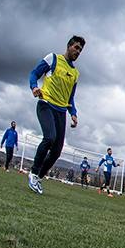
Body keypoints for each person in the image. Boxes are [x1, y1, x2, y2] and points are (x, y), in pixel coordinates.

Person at [27, 35, 85, 195]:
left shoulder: (75, 74)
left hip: (61, 112)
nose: (78, 51)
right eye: (76, 47)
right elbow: (34, 74)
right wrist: (34, 87)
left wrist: (73, 113)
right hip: (45, 104)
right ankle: (33, 172)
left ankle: (39, 177)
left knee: (57, 151)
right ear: (69, 46)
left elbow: (70, 97)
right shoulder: (52, 59)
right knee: (49, 138)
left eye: (80, 50)